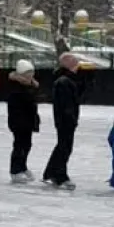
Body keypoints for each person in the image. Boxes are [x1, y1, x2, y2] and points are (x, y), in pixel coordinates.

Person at [43, 52, 81, 190]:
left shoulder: (67, 80)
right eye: (75, 64)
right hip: (65, 121)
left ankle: (50, 172)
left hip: (65, 120)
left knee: (62, 146)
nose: (77, 67)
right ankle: (59, 175)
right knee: (64, 147)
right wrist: (71, 119)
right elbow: (66, 105)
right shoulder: (64, 81)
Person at [7, 59, 40, 184]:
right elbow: (19, 104)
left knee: (27, 145)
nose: (31, 75)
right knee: (19, 145)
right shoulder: (16, 86)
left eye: (32, 72)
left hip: (29, 119)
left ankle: (23, 166)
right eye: (28, 72)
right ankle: (15, 170)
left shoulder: (31, 85)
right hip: (19, 120)